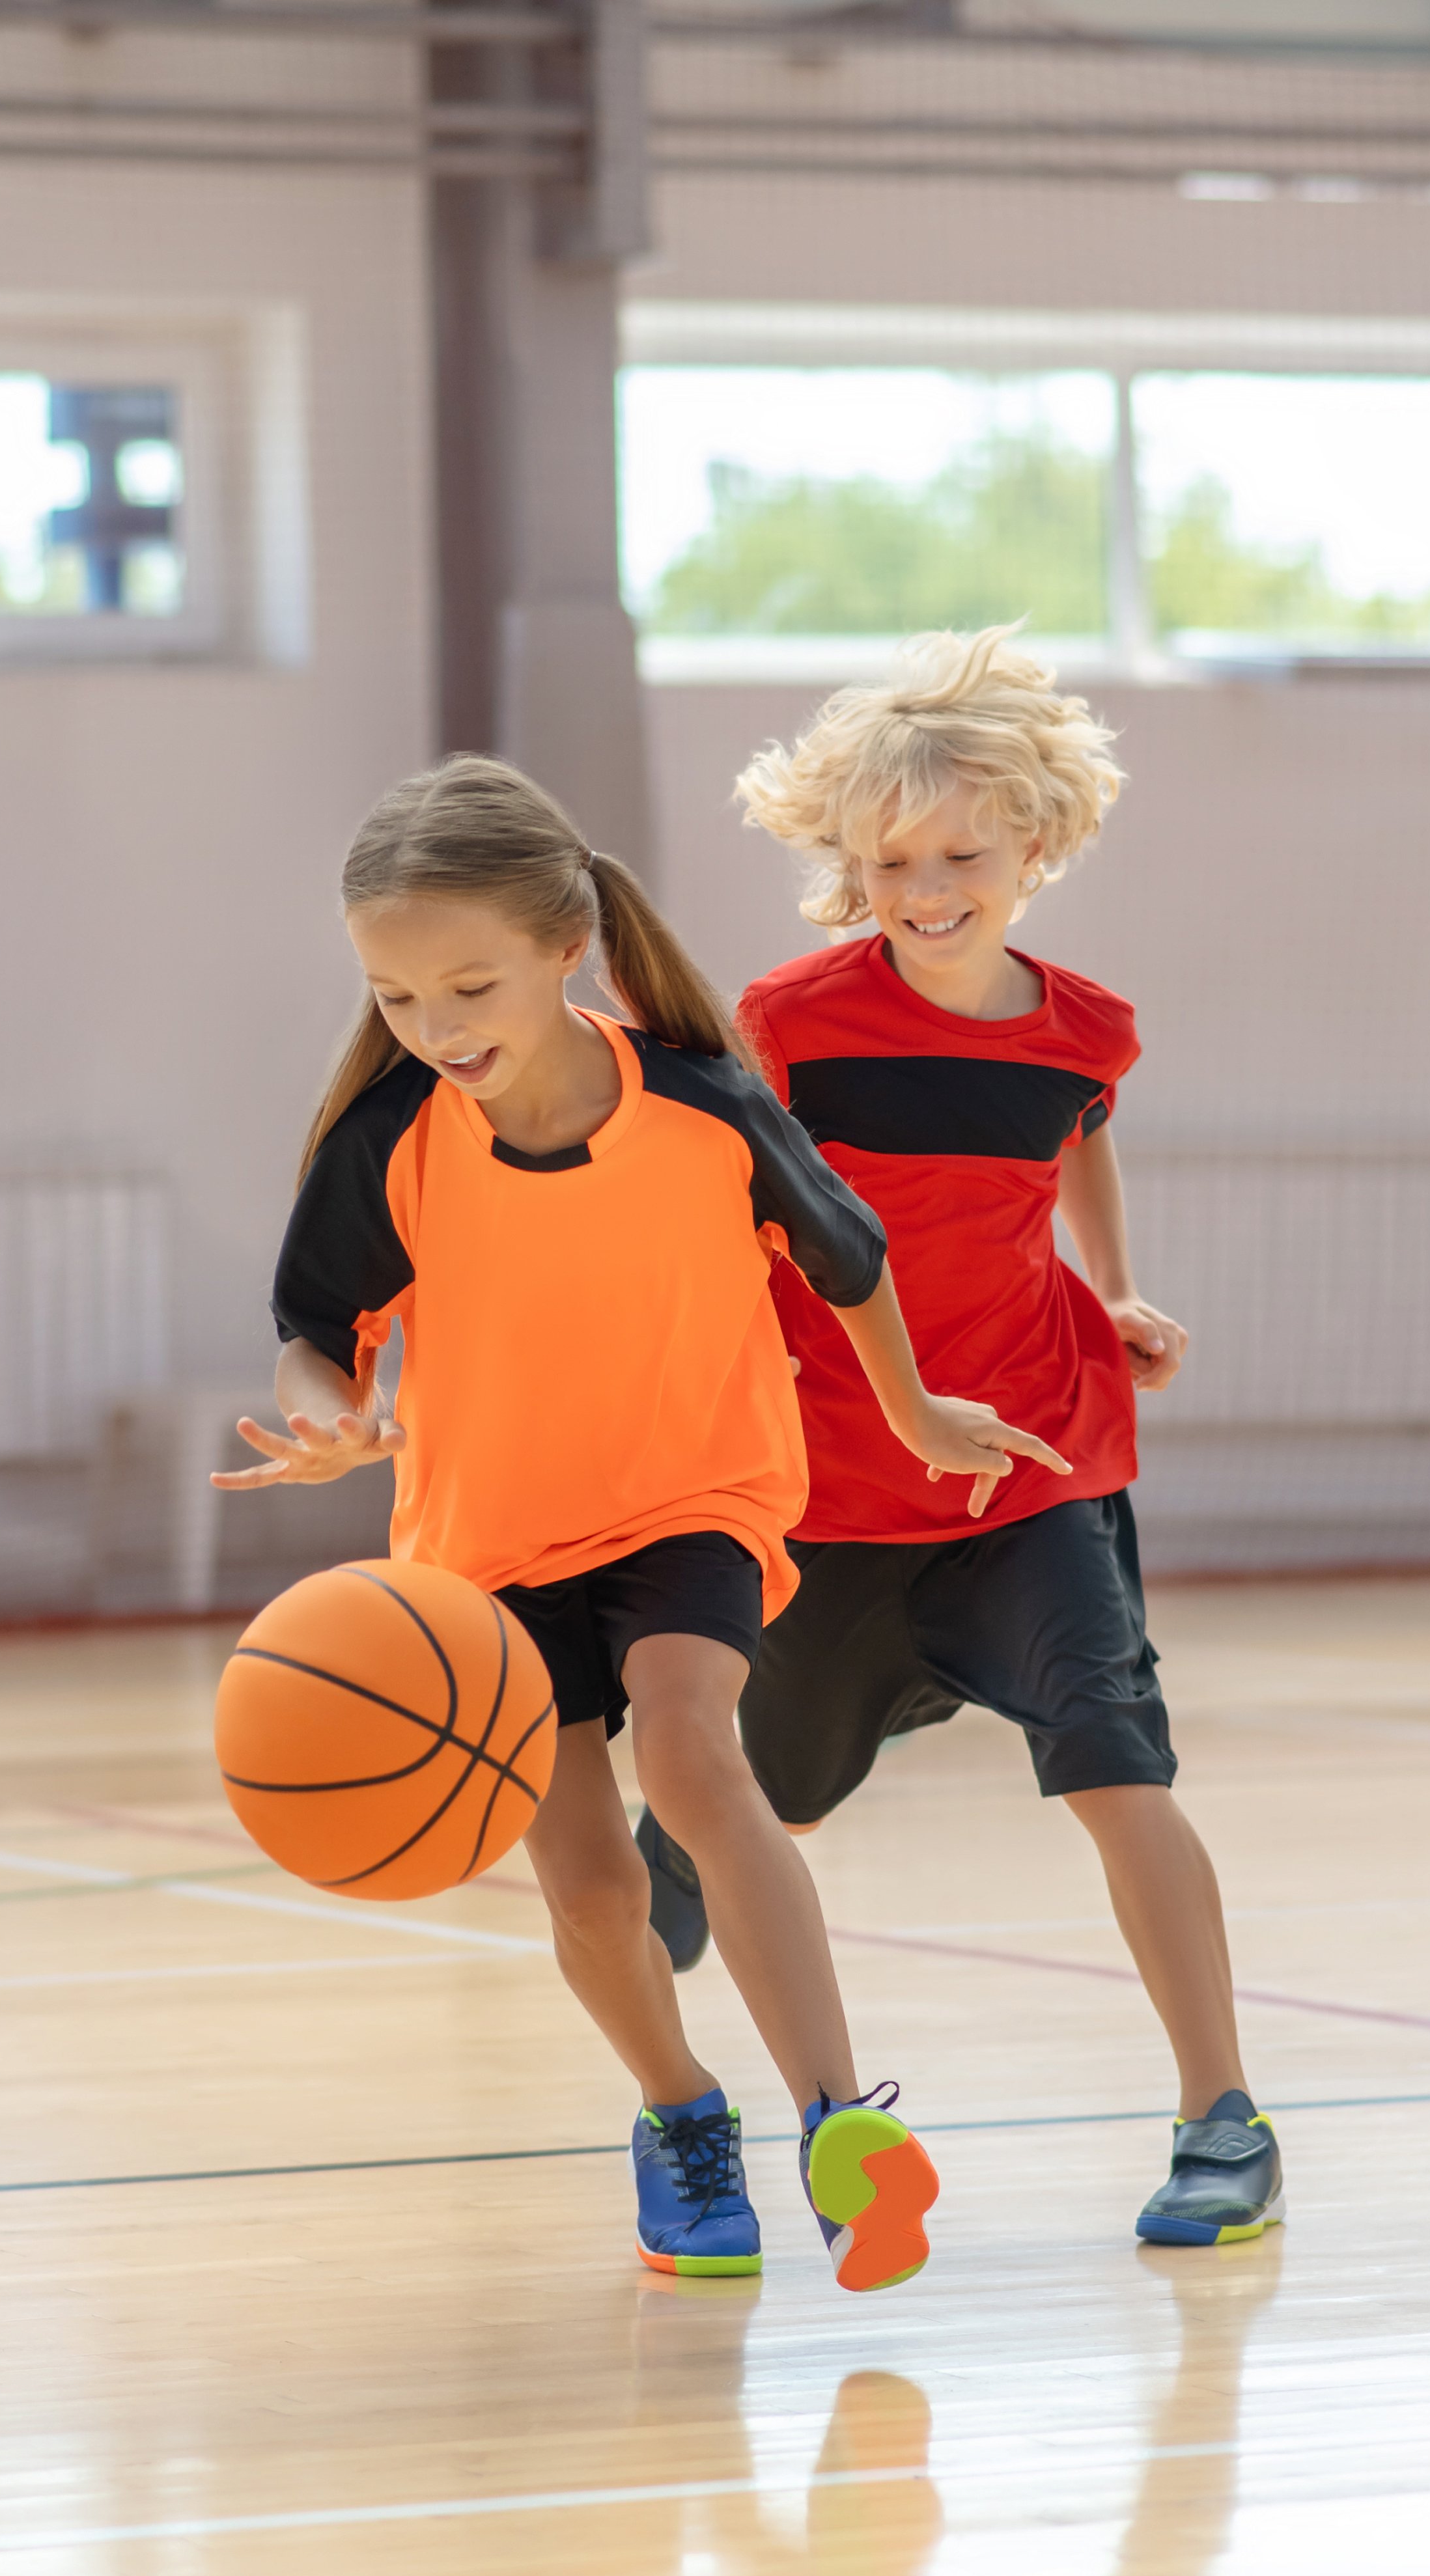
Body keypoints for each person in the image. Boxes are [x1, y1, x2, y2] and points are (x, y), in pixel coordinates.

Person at [217, 754, 1065, 2292]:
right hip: (487, 1552)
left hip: (694, 1498)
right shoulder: (394, 1138)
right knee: (595, 1888)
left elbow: (848, 1259)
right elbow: (314, 1324)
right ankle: (679, 2115)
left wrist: (918, 1411)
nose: (437, 1028)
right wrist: (331, 1410)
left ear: (566, 946)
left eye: (468, 985)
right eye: (398, 1000)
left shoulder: (701, 1107)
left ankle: (835, 2122)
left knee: (691, 1746)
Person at [639, 629, 1282, 2249]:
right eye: (892, 862)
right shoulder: (787, 1023)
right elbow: (719, 1215)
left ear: (1037, 849)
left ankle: (1225, 2121)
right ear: (851, 870)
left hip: (1034, 1466)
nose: (927, 889)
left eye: (961, 856)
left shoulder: (1087, 1031)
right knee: (729, 1834)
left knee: (1121, 1771)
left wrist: (1120, 1291)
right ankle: (679, 2098)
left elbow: (1078, 1147)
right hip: (833, 1492)